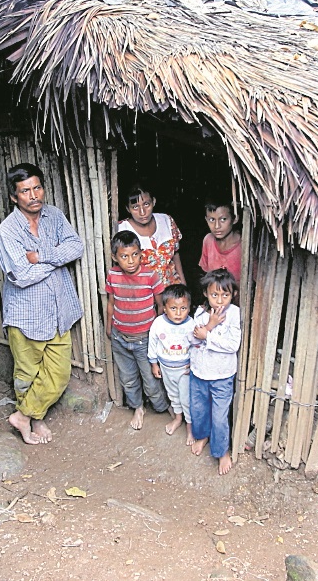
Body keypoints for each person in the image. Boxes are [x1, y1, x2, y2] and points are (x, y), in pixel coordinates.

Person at [0, 163, 83, 446]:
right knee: (27, 374)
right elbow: (21, 275)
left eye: (37, 187)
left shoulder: (54, 216)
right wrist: (56, 260)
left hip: (59, 311)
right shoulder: (7, 232)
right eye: (25, 191)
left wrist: (41, 255)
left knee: (58, 373)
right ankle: (34, 419)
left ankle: (23, 415)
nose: (33, 195)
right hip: (26, 315)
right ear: (13, 197)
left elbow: (76, 247)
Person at [105, 230, 169, 430]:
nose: (130, 261)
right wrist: (109, 326)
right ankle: (138, 408)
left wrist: (157, 335)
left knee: (151, 380)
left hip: (144, 339)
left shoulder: (151, 276)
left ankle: (162, 408)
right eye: (124, 256)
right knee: (129, 379)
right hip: (120, 337)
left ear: (141, 254)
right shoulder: (113, 275)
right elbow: (111, 303)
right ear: (115, 257)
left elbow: (160, 306)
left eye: (135, 255)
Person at [189, 268, 241, 475]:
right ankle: (203, 436)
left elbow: (232, 345)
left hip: (221, 376)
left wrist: (207, 336)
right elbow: (192, 339)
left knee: (219, 417)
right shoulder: (200, 313)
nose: (219, 300)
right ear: (205, 294)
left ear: (233, 295)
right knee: (199, 411)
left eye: (225, 295)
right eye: (214, 295)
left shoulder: (234, 314)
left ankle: (222, 451)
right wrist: (209, 325)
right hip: (199, 372)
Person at [148, 283, 195, 442]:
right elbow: (152, 343)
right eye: (173, 308)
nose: (178, 313)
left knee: (186, 398)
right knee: (173, 395)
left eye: (183, 308)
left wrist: (194, 363)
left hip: (185, 369)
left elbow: (197, 346)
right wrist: (154, 363)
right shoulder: (158, 323)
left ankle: (190, 427)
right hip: (166, 368)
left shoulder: (191, 324)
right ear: (165, 308)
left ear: (189, 308)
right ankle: (178, 418)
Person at [116, 184, 185, 285]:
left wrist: (183, 284)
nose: (142, 212)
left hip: (172, 292)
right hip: (143, 294)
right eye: (135, 207)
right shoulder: (122, 229)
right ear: (127, 209)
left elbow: (176, 254)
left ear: (154, 202)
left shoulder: (166, 221)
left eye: (146, 204)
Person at [198, 199, 242, 282]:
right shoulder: (208, 240)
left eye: (223, 219)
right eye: (212, 220)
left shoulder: (244, 245)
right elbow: (206, 274)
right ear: (206, 220)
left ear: (235, 219)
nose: (217, 226)